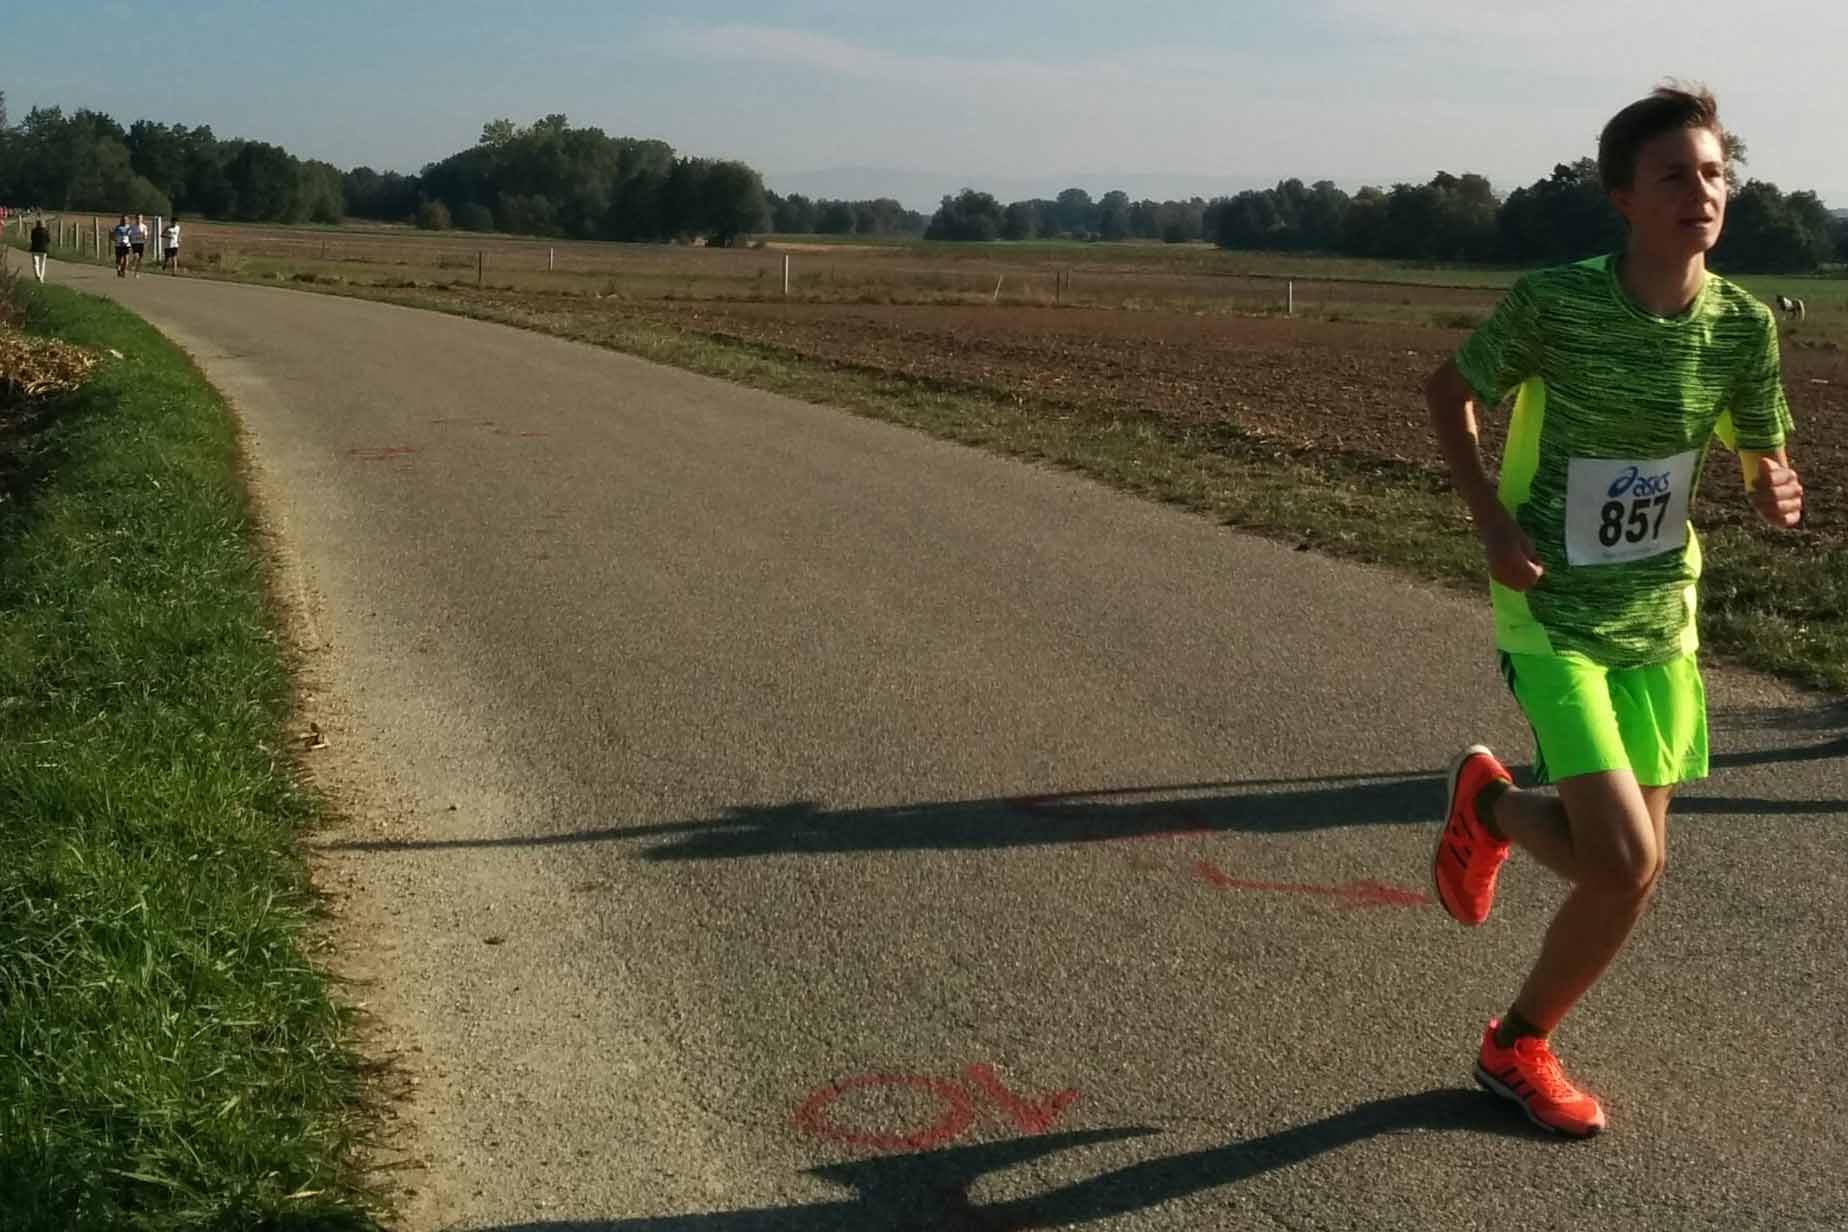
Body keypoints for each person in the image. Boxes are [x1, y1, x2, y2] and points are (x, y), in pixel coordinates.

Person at [1425, 82, 1804, 1138]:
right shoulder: (1557, 301)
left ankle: (1515, 1036)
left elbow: (1757, 436)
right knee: (1626, 858)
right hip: (1551, 606)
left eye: (1716, 172)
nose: (1703, 191)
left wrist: (1773, 479)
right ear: (1623, 198)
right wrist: (1494, 524)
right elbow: (1446, 390)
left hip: (1661, 612)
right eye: (1676, 174)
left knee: (1630, 874)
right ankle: (1493, 823)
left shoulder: (1739, 323)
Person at [30, 215, 52, 283]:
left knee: (35, 263)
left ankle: (37, 275)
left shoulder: (33, 231)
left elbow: (32, 238)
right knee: (42, 264)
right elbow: (49, 240)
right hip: (43, 249)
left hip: (35, 249)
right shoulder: (46, 231)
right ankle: (41, 278)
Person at [129, 214, 149, 278]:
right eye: (137, 218)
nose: (138, 219)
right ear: (136, 219)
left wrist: (144, 236)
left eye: (140, 218)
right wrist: (130, 241)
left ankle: (137, 272)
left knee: (140, 259)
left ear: (142, 219)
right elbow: (129, 235)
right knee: (136, 256)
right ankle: (132, 264)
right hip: (134, 243)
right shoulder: (132, 226)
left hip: (141, 243)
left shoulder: (144, 226)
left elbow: (145, 236)